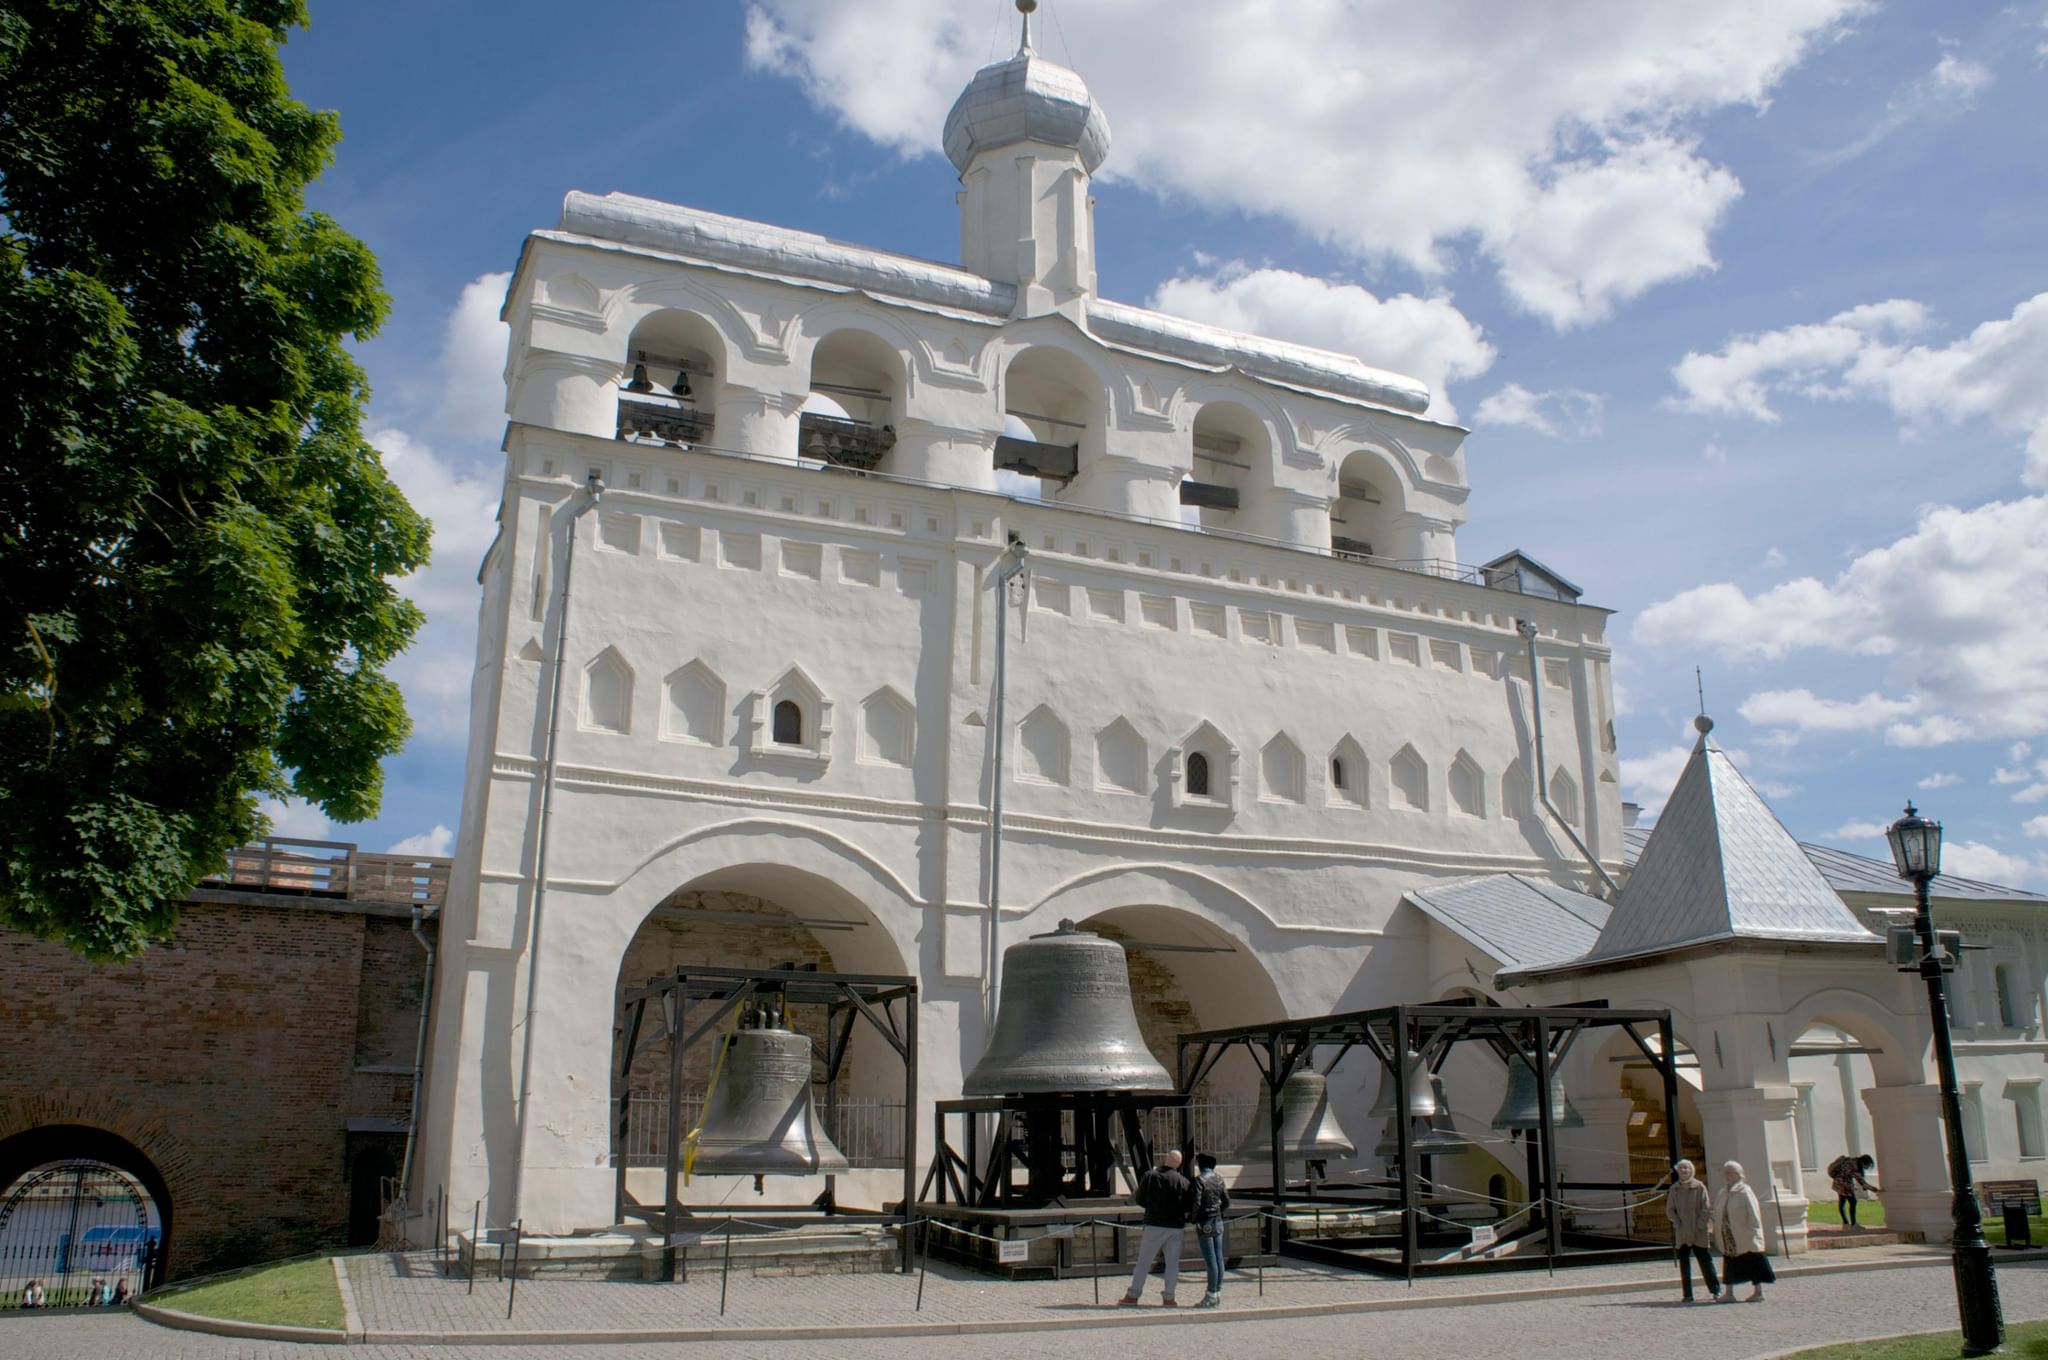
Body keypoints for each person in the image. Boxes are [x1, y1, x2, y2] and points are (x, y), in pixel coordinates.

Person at [1119, 1148, 1194, 1307]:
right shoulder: (1184, 1182)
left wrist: (1152, 1207)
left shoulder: (1150, 1176)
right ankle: (1169, 1298)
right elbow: (1188, 1205)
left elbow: (1139, 1199)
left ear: (1166, 1159)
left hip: (1154, 1224)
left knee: (1144, 1262)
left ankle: (1133, 1295)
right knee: (1172, 1263)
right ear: (1179, 1164)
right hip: (1175, 1226)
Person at [1714, 1160, 1776, 1302]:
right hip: (1729, 1235)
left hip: (1745, 1234)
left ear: (1738, 1174)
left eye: (1730, 1172)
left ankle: (1758, 1291)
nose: (1727, 1175)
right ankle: (1729, 1292)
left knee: (1753, 1261)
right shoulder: (1723, 1192)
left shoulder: (1745, 1191)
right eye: (1725, 1172)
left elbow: (1754, 1214)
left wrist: (1754, 1233)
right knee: (1730, 1262)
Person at [1664, 1159, 1719, 1303]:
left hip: (1699, 1232)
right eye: (1681, 1168)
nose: (1684, 1171)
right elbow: (1670, 1210)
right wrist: (1677, 1223)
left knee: (1705, 1261)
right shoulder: (1674, 1189)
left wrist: (1699, 1226)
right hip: (1682, 1232)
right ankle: (1687, 1294)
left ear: (1691, 1170)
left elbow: (1706, 1209)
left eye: (1686, 1168)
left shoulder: (1699, 1187)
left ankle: (1715, 1290)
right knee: (1684, 1265)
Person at [1191, 1151, 1231, 1309]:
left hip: (1205, 1221)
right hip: (1218, 1221)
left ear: (1200, 1165)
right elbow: (1227, 1202)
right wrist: (1219, 1211)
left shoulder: (1199, 1180)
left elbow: (1196, 1203)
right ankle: (1217, 1292)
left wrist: (1193, 1218)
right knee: (1219, 1258)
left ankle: (1211, 1294)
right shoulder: (1219, 1179)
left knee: (1210, 1260)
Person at [1827, 1153, 1876, 1226]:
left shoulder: (1852, 1160)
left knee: (1842, 1202)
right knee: (1853, 1202)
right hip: (1845, 1185)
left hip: (1838, 1183)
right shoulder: (1855, 1166)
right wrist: (1876, 1190)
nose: (1868, 1167)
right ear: (1863, 1162)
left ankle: (1845, 1223)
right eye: (1868, 1165)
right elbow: (1862, 1183)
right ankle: (1853, 1224)